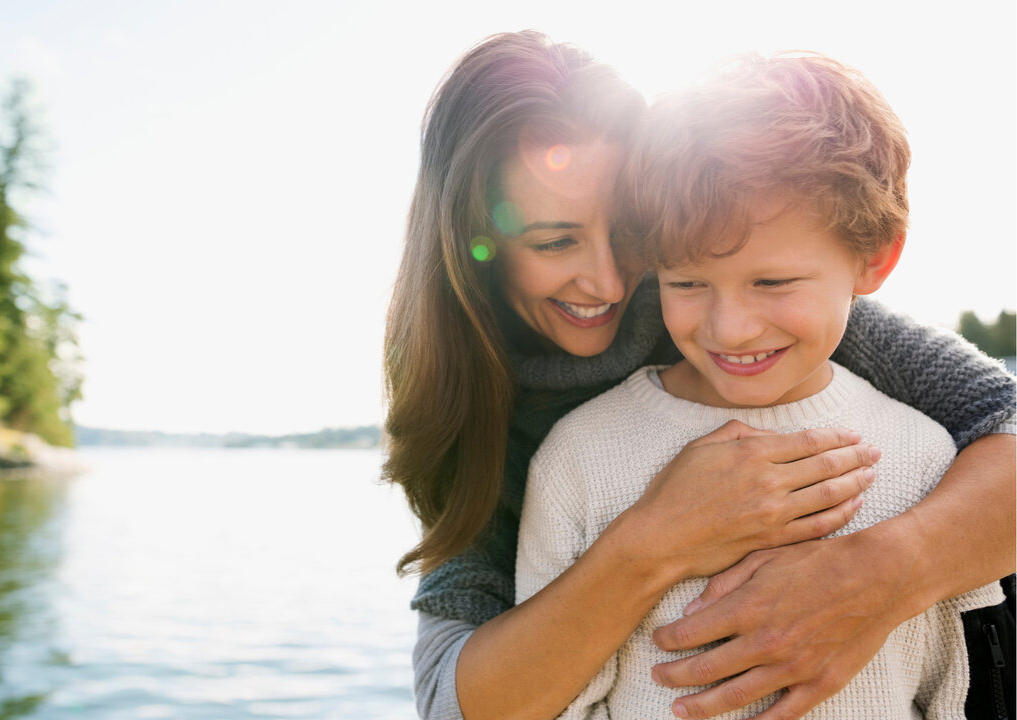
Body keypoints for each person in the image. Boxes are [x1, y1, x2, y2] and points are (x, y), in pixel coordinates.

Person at [383, 31, 1015, 720]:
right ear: (475, 247)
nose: (608, 280)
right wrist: (653, 542)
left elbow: (1005, 421)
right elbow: (453, 701)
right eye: (555, 240)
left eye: (631, 231)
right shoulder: (481, 413)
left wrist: (876, 575)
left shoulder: (723, 284)